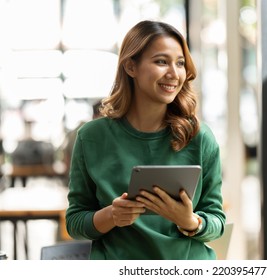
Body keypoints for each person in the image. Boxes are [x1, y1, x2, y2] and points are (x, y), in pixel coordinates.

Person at [65, 20, 226, 260]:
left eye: (180, 63)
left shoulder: (200, 137)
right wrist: (111, 215)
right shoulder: (92, 137)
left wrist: (190, 221)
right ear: (131, 66)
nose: (174, 73)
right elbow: (75, 222)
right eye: (161, 61)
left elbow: (217, 221)